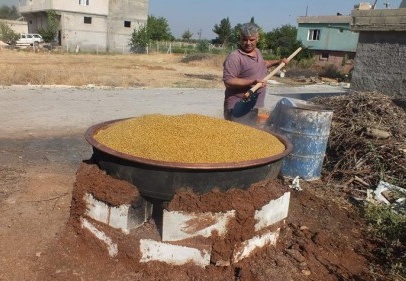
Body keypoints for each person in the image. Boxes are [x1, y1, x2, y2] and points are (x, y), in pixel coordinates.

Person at [222, 22, 288, 126]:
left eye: (251, 39)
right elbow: (228, 81)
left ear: (258, 38)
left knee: (249, 138)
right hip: (237, 107)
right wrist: (252, 82)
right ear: (240, 39)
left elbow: (262, 64)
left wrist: (277, 62)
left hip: (252, 106)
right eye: (244, 39)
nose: (248, 43)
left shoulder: (257, 52)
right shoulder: (235, 57)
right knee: (237, 138)